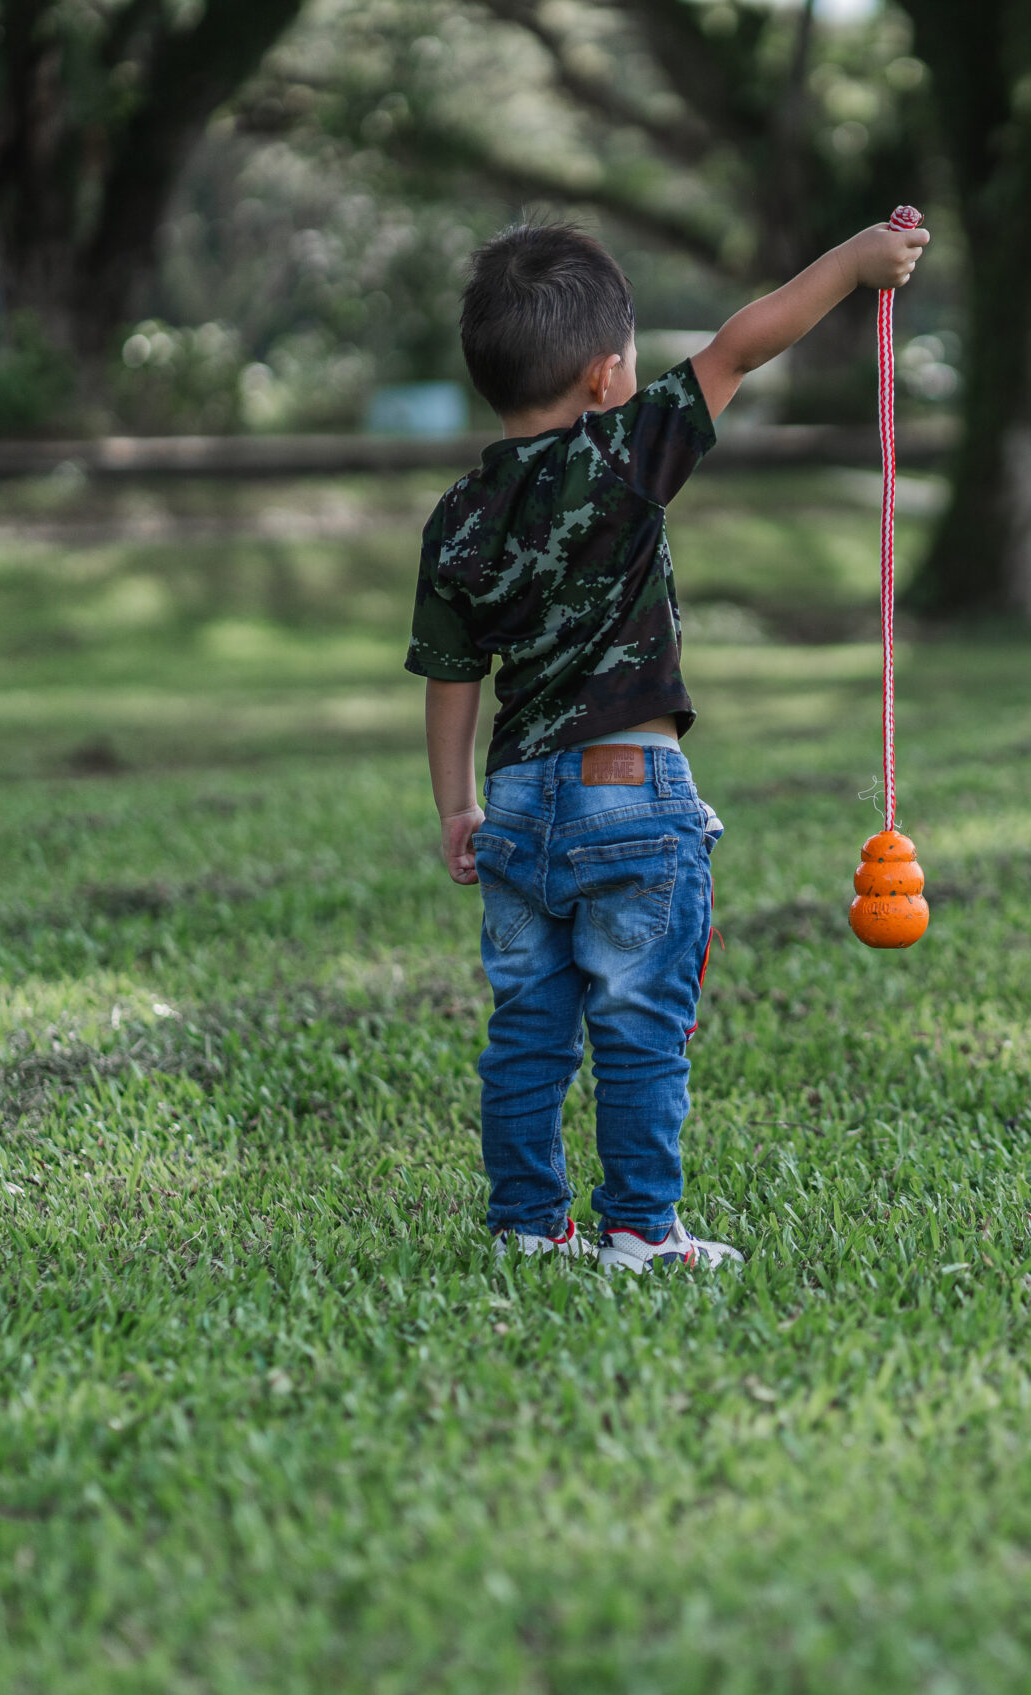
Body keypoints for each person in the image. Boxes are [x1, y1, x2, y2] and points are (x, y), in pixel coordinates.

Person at [408, 217, 930, 1271]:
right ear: (608, 376)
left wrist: (457, 808)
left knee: (528, 1028)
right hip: (631, 797)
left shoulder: (457, 516)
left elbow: (451, 678)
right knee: (640, 1026)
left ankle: (524, 1227)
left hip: (514, 805)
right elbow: (741, 345)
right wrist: (856, 263)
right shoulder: (622, 451)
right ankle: (642, 1232)